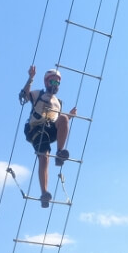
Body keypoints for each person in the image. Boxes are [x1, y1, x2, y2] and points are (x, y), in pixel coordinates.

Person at [19, 65, 77, 207]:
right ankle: (44, 193)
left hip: (51, 129)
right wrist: (31, 78)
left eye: (57, 83)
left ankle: (59, 153)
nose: (55, 85)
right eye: (52, 82)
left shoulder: (59, 103)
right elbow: (23, 96)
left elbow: (60, 122)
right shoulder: (38, 94)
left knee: (63, 118)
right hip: (37, 130)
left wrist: (69, 116)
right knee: (44, 158)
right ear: (46, 82)